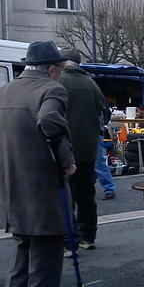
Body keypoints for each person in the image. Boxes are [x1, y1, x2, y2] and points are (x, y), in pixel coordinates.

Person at [0, 41, 75, 287]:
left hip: (8, 169)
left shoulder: (1, 92)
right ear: (51, 69)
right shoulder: (51, 89)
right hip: (41, 171)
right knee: (49, 234)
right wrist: (66, 161)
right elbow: (49, 119)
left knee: (23, 233)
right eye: (60, 69)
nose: (60, 74)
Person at [58, 48, 111, 251]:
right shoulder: (91, 83)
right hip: (88, 149)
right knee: (86, 195)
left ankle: (69, 241)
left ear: (63, 62)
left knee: (66, 197)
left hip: (64, 148)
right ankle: (88, 237)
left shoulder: (58, 82)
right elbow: (105, 113)